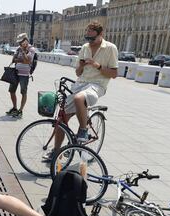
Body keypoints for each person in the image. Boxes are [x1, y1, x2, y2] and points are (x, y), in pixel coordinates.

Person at [44, 21, 118, 161]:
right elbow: (78, 73)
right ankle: (56, 151)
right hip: (80, 84)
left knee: (79, 98)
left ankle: (83, 131)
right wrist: (82, 65)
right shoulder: (84, 48)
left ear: (100, 34)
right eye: (88, 37)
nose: (90, 41)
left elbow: (114, 74)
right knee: (61, 120)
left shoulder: (110, 48)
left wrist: (98, 66)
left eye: (93, 38)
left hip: (97, 85)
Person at [5, 33, 35, 118]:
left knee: (23, 92)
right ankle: (14, 108)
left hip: (24, 74)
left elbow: (28, 61)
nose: (19, 43)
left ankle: (20, 110)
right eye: (19, 42)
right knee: (11, 90)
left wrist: (23, 52)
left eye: (21, 41)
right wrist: (21, 59)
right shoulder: (18, 48)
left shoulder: (31, 49)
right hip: (16, 72)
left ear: (26, 40)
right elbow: (13, 59)